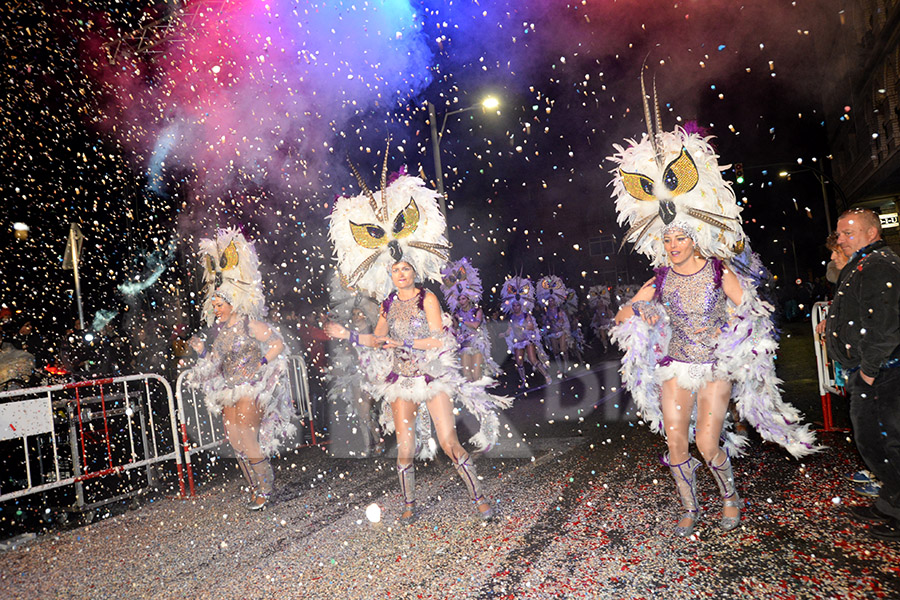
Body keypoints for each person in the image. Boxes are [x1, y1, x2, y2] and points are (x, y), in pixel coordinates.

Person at [609, 122, 820, 538]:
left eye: (679, 238)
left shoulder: (719, 272)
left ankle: (729, 497)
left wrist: (742, 340)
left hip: (715, 367)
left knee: (707, 445)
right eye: (667, 239)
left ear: (695, 236)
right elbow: (621, 315)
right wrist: (642, 313)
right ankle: (689, 508)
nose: (672, 245)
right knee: (675, 445)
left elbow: (755, 312)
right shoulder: (661, 279)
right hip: (676, 366)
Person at [326, 151, 510, 523]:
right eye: (395, 270)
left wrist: (406, 344)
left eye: (406, 268)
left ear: (414, 270)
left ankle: (479, 498)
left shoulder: (428, 297)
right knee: (405, 447)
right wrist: (347, 334)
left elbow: (439, 337)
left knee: (448, 441)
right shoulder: (385, 306)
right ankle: (409, 505)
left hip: (431, 374)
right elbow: (378, 340)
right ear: (389, 275)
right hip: (400, 380)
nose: (401, 274)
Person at [187, 228, 296, 511]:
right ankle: (254, 487)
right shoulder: (221, 334)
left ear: (232, 303)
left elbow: (277, 344)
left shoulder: (249, 324)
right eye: (214, 303)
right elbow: (214, 362)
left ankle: (266, 488)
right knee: (235, 442)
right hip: (230, 390)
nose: (215, 308)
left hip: (250, 388)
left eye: (219, 303)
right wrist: (201, 351)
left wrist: (260, 366)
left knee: (248, 438)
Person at [825, 208, 900, 541]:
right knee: (873, 441)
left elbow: (885, 324)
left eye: (848, 233)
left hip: (883, 372)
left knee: (884, 442)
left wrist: (869, 371)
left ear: (872, 233)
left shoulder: (878, 266)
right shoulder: (862, 265)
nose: (840, 240)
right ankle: (889, 503)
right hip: (873, 370)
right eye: (839, 234)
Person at [440, 258, 499, 382]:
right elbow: (455, 328)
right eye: (459, 299)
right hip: (465, 345)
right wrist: (450, 322)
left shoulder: (477, 310)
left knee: (477, 376)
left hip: (477, 345)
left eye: (464, 299)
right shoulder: (456, 313)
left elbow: (476, 325)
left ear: (469, 299)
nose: (461, 302)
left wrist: (461, 320)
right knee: (467, 376)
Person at [500, 275, 552, 388]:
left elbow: (531, 327)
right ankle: (524, 381)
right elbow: (509, 330)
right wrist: (504, 334)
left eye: (517, 305)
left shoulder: (526, 315)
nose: (515, 307)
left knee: (533, 360)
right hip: (518, 342)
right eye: (513, 305)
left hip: (527, 340)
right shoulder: (511, 317)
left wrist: (522, 327)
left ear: (521, 305)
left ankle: (546, 375)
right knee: (519, 363)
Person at [537, 275, 571, 374]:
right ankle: (560, 367)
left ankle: (566, 366)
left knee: (563, 349)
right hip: (552, 332)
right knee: (556, 351)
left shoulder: (560, 310)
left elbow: (565, 321)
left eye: (552, 300)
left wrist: (562, 323)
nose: (551, 302)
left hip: (561, 331)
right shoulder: (545, 313)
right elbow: (545, 324)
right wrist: (544, 327)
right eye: (549, 300)